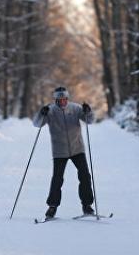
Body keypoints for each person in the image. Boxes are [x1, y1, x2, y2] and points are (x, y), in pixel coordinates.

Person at [32, 86, 95, 219]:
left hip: (77, 148)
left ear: (67, 98)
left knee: (85, 175)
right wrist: (41, 113)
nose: (62, 102)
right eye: (59, 100)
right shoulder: (50, 111)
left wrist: (88, 111)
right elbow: (37, 124)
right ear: (55, 100)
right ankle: (52, 207)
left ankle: (87, 206)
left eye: (64, 99)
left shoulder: (76, 108)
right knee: (57, 179)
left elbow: (89, 120)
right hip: (59, 150)